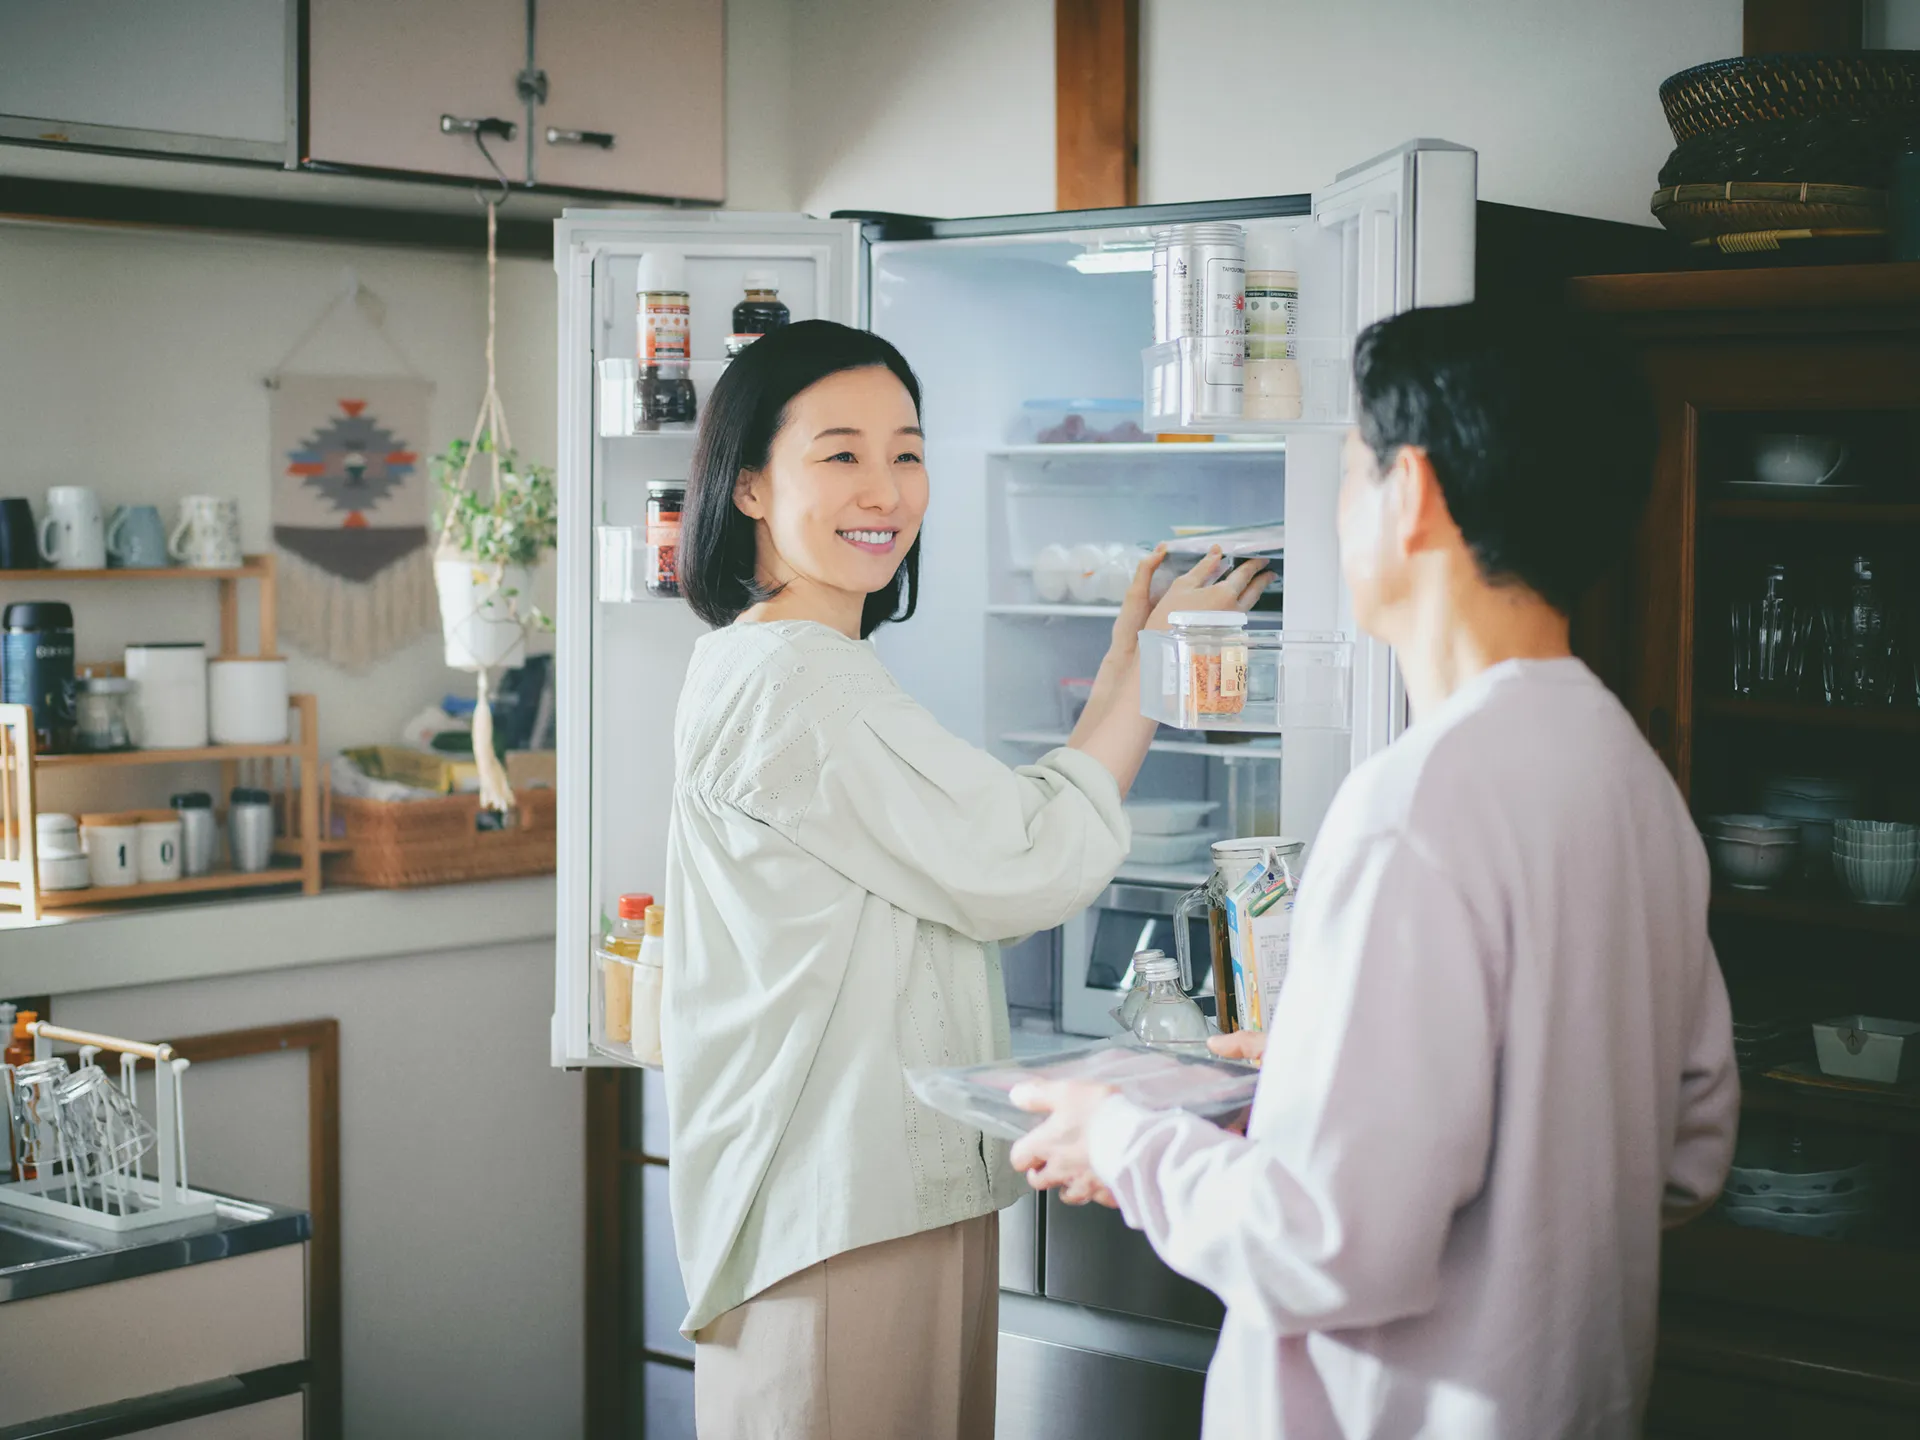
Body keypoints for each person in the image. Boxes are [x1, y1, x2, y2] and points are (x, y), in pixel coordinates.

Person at [1010, 301, 1740, 1438]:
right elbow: (1686, 1152)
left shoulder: (1416, 807)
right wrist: (1309, 1083)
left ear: (1416, 494)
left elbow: (1323, 1246)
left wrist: (1123, 1138)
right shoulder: (1632, 780)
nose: (1336, 510)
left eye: (1352, 469)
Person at [662, 318, 1272, 1440]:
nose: (884, 488)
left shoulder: (786, 661)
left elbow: (1007, 828)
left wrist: (1137, 655)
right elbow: (1026, 864)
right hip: (839, 1203)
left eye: (908, 451)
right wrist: (1153, 675)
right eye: (839, 454)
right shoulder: (802, 683)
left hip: (868, 1190)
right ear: (748, 485)